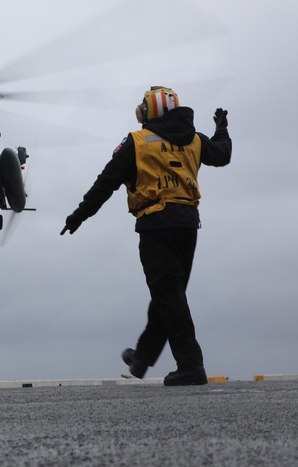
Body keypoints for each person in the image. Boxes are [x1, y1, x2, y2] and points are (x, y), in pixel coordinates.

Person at [60, 86, 231, 386]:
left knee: (168, 295)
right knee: (169, 294)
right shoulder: (195, 139)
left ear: (151, 110)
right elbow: (223, 154)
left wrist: (78, 216)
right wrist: (222, 130)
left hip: (156, 224)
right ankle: (141, 359)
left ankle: (191, 364)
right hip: (188, 225)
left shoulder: (138, 142)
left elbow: (106, 182)